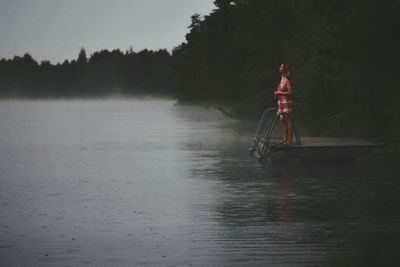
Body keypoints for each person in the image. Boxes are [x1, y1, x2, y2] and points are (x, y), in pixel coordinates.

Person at [274, 63, 293, 144]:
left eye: (281, 67)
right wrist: (277, 94)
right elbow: (281, 91)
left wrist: (279, 92)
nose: (280, 67)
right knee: (283, 121)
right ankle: (284, 139)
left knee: (287, 120)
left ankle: (289, 140)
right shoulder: (282, 78)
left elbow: (290, 92)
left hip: (286, 102)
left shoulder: (287, 80)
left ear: (284, 70)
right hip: (281, 102)